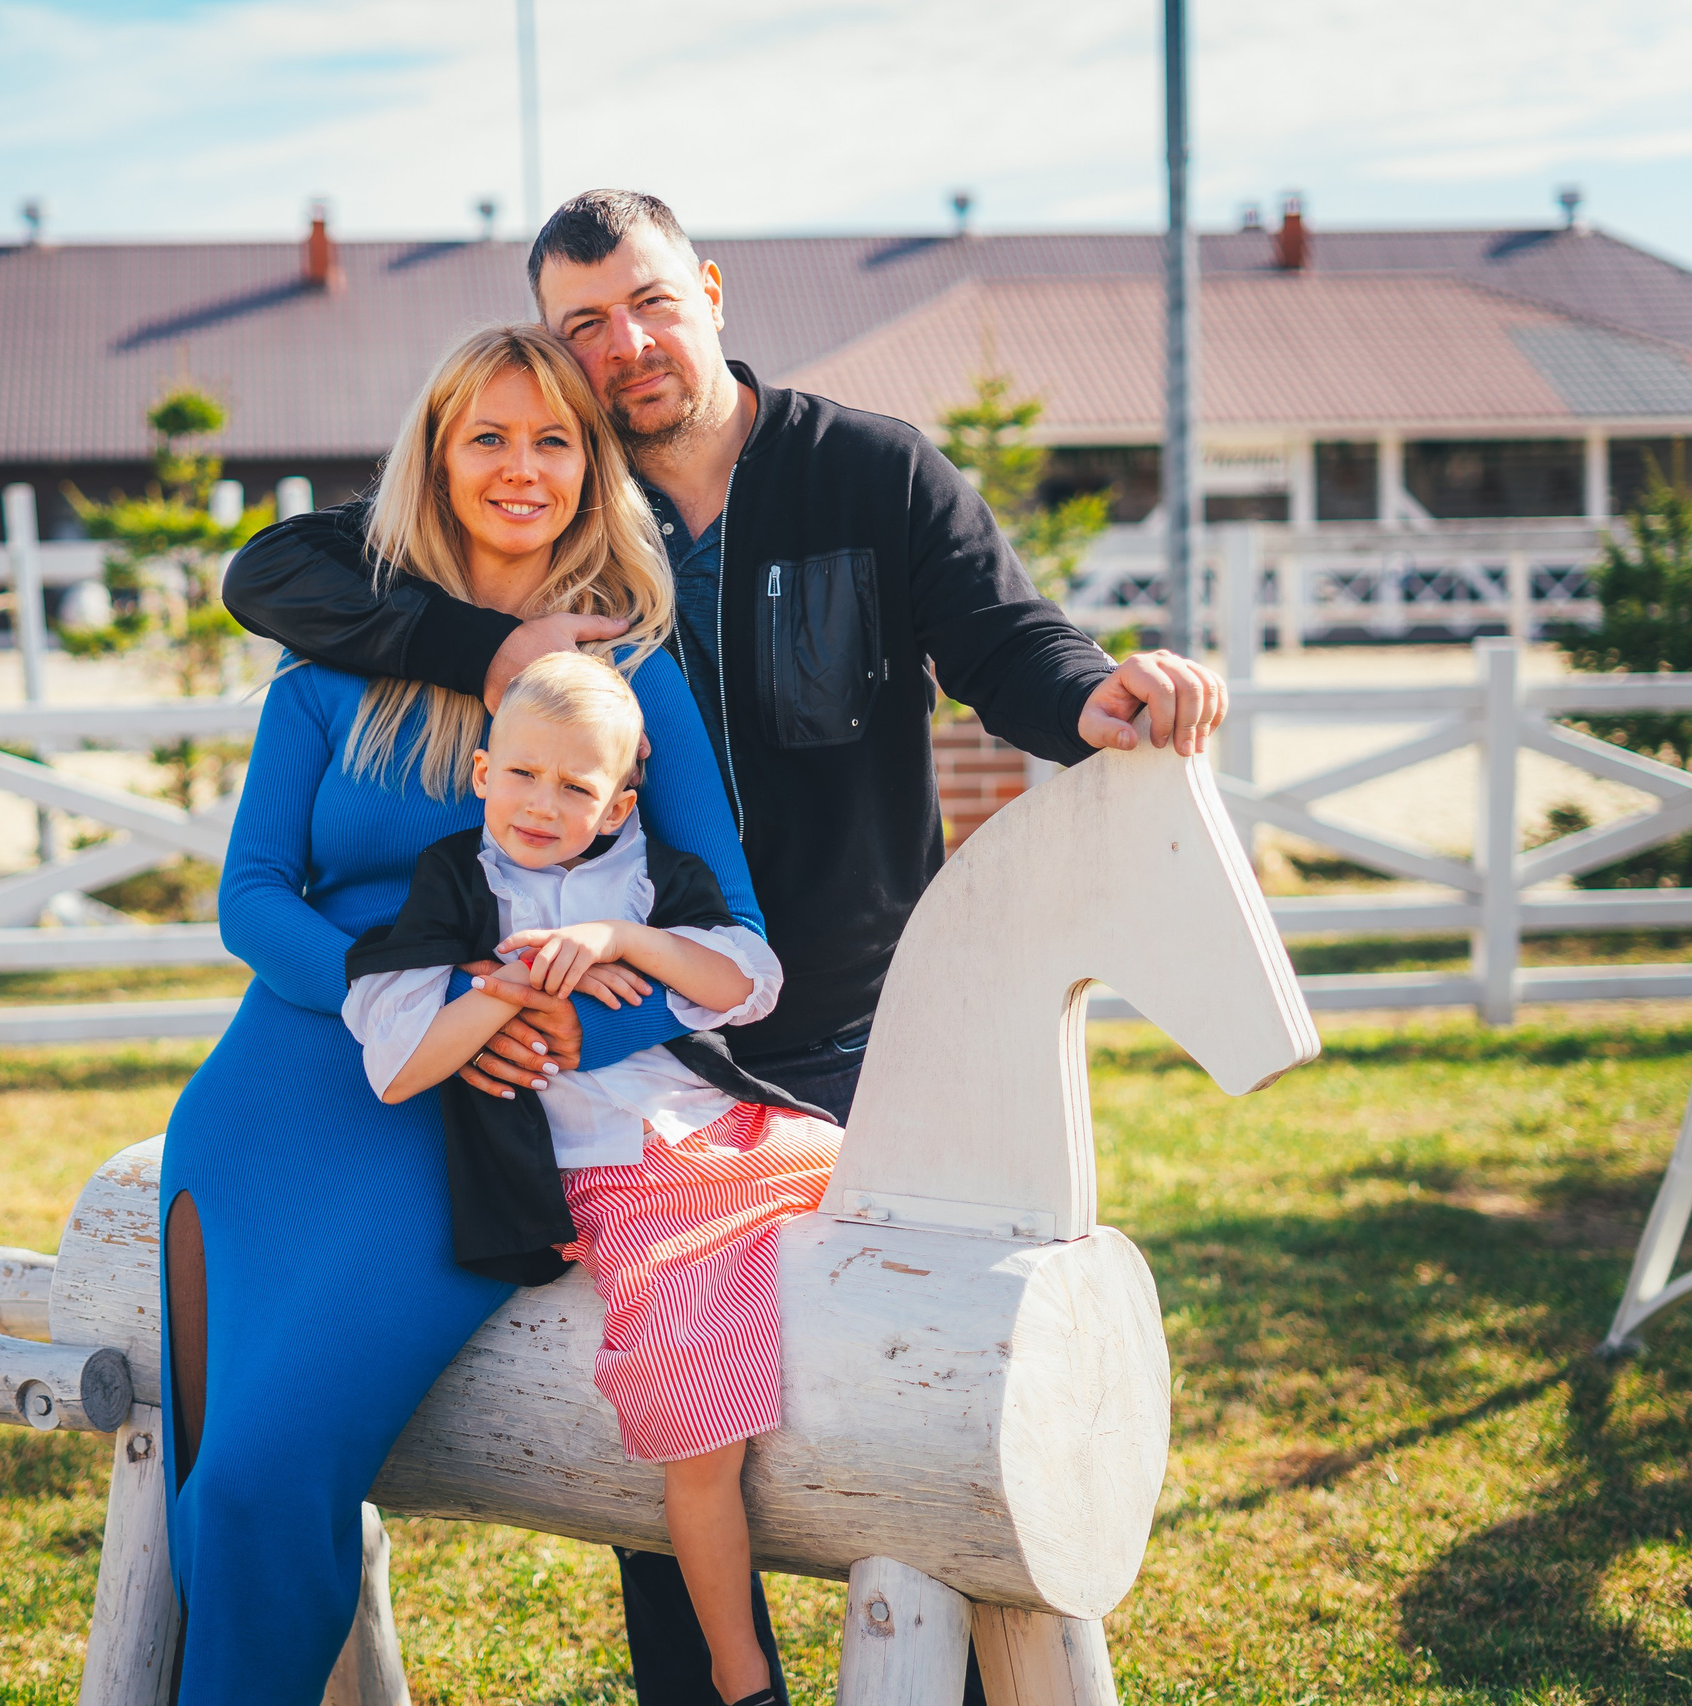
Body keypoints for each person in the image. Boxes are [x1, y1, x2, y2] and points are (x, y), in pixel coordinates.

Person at [223, 188, 1230, 1704]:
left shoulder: (868, 473)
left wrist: (1096, 697)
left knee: (907, 1387)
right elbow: (279, 573)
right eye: (582, 328)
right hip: (618, 1043)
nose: (622, 346)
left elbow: (1003, 633)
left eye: (646, 303)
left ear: (705, 287)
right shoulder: (567, 502)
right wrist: (488, 648)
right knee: (677, 1423)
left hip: (837, 1024)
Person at [158, 323, 785, 1706]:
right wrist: (403, 992)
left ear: (591, 465)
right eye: (486, 436)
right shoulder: (338, 653)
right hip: (280, 1081)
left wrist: (559, 1029)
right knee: (203, 1487)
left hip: (476, 1113)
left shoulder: (633, 677)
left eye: (554, 437)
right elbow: (253, 896)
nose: (520, 467)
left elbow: (721, 928)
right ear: (435, 460)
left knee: (266, 1475)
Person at [345, 651, 839, 1706]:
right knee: (690, 1402)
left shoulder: (656, 874)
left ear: (617, 802)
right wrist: (513, 984)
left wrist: (624, 940)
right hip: (610, 1179)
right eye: (522, 774)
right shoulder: (454, 885)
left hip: (733, 1133)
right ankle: (740, 1669)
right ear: (481, 772)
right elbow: (397, 1064)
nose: (542, 802)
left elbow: (748, 982)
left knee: (898, 1183)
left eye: (576, 787)